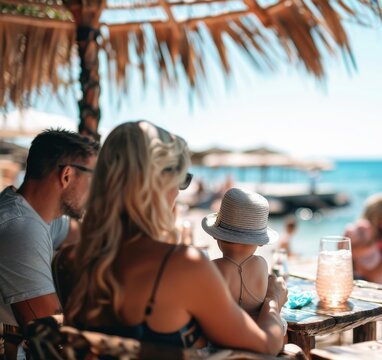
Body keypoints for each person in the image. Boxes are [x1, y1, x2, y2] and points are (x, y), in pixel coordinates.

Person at [62, 121, 287, 355]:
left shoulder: (67, 261)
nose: (179, 192)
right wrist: (273, 299)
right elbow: (266, 345)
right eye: (182, 180)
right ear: (159, 185)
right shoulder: (183, 266)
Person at [0, 129, 98, 357]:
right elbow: (55, 339)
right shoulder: (21, 228)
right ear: (67, 175)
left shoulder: (37, 215)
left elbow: (85, 235)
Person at [203, 187, 276, 319]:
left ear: (215, 236)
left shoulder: (212, 269)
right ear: (260, 242)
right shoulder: (262, 264)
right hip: (258, 332)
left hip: (223, 336)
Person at [344, 193, 382, 337]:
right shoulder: (361, 231)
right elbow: (344, 253)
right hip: (360, 281)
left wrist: (360, 268)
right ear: (379, 214)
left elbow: (378, 269)